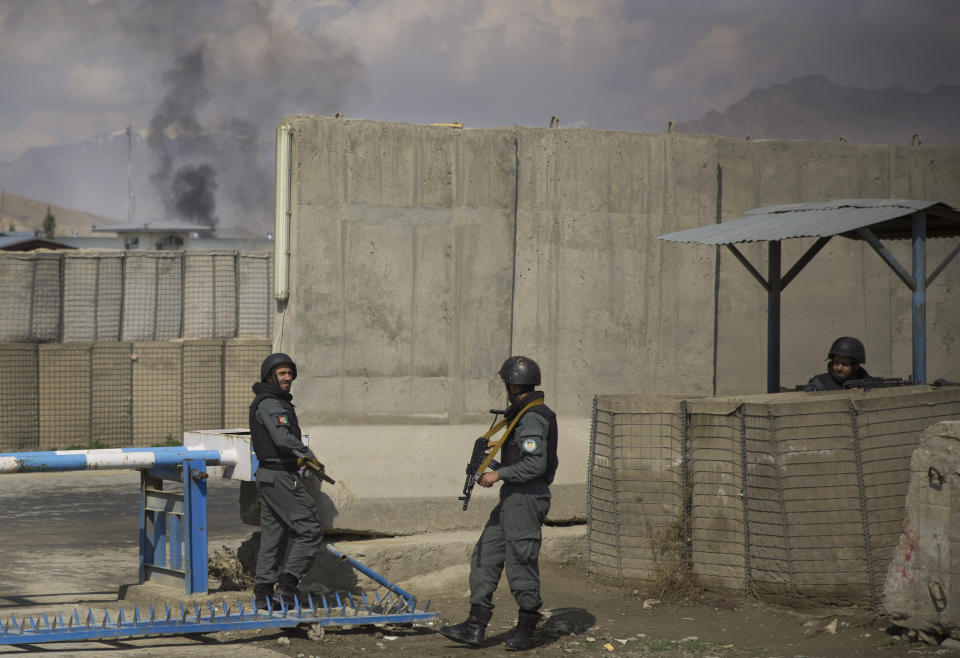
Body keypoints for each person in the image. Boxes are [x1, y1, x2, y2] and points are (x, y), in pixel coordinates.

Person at [438, 356, 559, 652]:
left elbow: (536, 465)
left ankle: (528, 627)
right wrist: (496, 460)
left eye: (507, 382)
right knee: (484, 556)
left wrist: (498, 473)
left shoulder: (532, 416)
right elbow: (523, 458)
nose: (506, 387)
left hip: (527, 498)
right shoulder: (520, 413)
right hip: (512, 497)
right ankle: (474, 626)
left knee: (520, 563)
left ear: (514, 383)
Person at [249, 352, 324, 610]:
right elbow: (281, 439)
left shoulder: (273, 401)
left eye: (289, 373)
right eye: (281, 373)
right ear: (270, 376)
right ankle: (287, 588)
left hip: (270, 476)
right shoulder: (270, 403)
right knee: (311, 529)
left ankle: (263, 595)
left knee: (274, 536)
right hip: (280, 477)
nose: (287, 378)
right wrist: (307, 455)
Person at [803, 337, 871, 391]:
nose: (839, 368)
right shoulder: (820, 383)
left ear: (855, 366)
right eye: (836, 363)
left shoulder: (868, 382)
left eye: (844, 364)